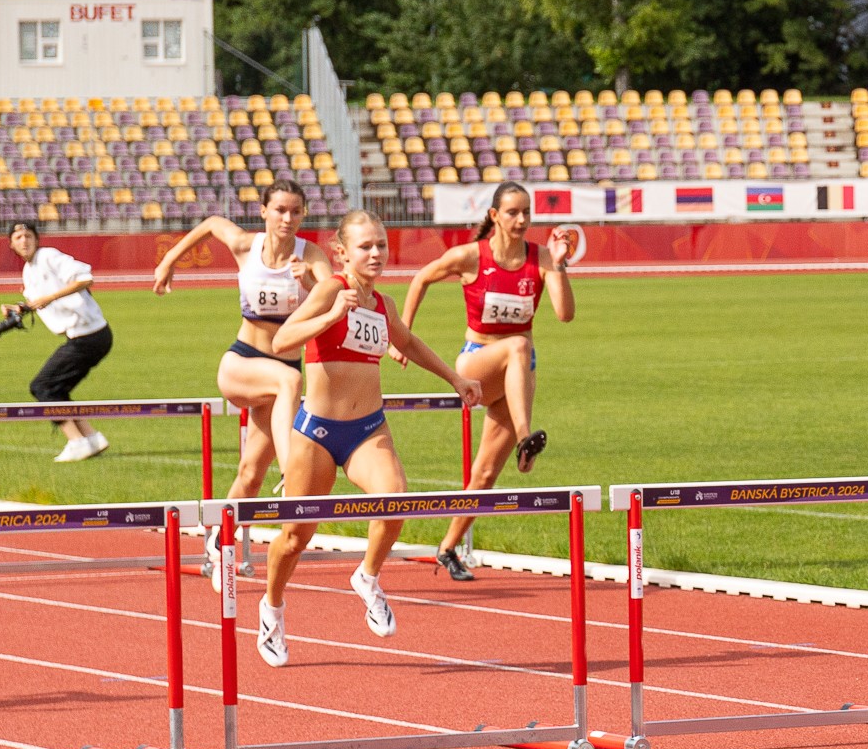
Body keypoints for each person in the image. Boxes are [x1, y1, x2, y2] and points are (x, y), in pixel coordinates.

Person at [256, 210, 479, 666]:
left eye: (381, 244)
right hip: (318, 433)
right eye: (365, 246)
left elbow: (408, 343)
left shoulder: (383, 304)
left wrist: (455, 379)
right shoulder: (330, 290)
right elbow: (283, 341)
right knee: (295, 538)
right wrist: (331, 315)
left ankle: (367, 576)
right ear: (342, 252)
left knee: (395, 500)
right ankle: (272, 609)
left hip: (367, 429)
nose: (376, 253)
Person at [151, 183, 335, 577]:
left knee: (250, 474)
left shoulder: (311, 256)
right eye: (280, 210)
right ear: (264, 211)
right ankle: (292, 473)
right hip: (242, 363)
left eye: (296, 211)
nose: (287, 219)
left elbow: (335, 293)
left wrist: (311, 284)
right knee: (290, 382)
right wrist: (168, 261)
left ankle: (219, 542)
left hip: (278, 383)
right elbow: (211, 223)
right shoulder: (245, 246)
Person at [399, 181, 576, 581]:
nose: (522, 220)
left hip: (517, 376)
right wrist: (401, 336)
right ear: (495, 215)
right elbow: (421, 278)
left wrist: (559, 264)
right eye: (513, 212)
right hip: (477, 363)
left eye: (527, 212)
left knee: (485, 474)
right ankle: (526, 439)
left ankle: (447, 548)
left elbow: (565, 314)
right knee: (519, 345)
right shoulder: (471, 256)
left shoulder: (541, 257)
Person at [1, 221, 113, 462]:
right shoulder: (29, 271)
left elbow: (85, 279)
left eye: (28, 235)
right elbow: (38, 302)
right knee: (56, 388)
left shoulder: (48, 256)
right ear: (11, 244)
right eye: (18, 237)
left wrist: (51, 297)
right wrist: (19, 309)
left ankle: (77, 442)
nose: (24, 241)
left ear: (37, 239)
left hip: (89, 335)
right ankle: (91, 438)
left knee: (42, 386)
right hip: (86, 336)